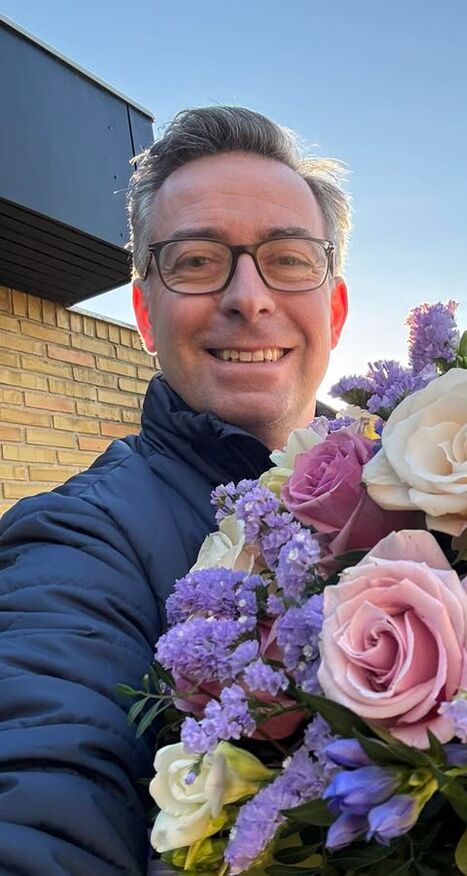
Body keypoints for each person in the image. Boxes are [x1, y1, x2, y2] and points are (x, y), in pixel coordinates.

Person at [0, 106, 350, 875]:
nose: (249, 297)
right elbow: (41, 781)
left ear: (335, 308)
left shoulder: (423, 491)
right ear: (145, 315)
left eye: (289, 258)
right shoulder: (80, 538)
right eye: (195, 261)